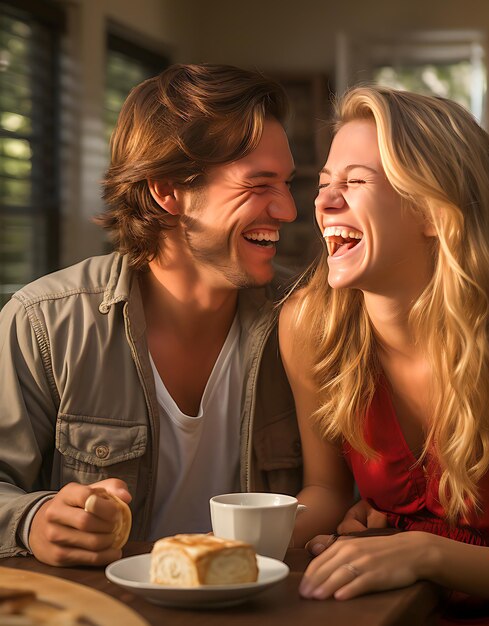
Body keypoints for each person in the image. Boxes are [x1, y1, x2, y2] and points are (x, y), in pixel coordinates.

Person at [282, 86, 489, 624]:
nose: (323, 202)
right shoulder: (308, 324)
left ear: (434, 213)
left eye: (356, 183)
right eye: (324, 184)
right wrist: (227, 546)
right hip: (397, 606)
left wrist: (420, 552)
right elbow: (324, 491)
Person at [0, 63, 303, 567]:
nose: (289, 211)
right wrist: (33, 520)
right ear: (168, 191)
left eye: (287, 183)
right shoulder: (45, 325)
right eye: (258, 185)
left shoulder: (310, 319)